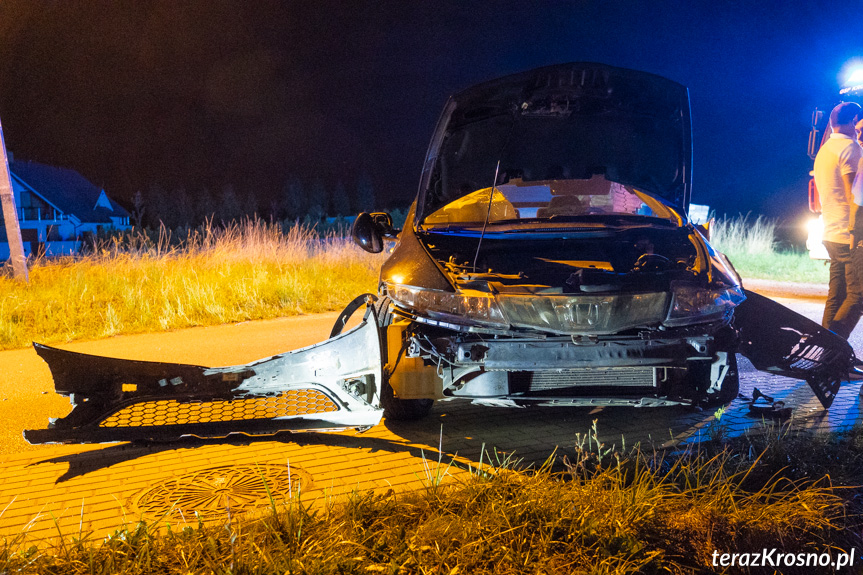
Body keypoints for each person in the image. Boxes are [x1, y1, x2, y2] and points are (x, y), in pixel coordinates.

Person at [815, 102, 863, 338]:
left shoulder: (825, 149)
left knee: (837, 295)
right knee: (858, 296)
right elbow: (855, 194)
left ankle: (824, 353)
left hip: (831, 232)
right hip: (850, 234)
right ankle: (832, 354)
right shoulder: (851, 149)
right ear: (854, 120)